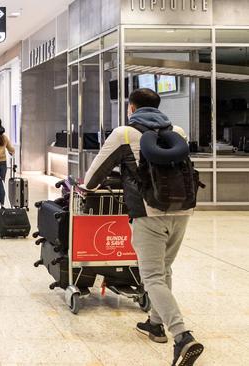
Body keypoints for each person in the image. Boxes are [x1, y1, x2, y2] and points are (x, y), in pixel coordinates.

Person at [84, 88, 204, 366]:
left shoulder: (124, 133)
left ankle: (182, 336)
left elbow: (92, 178)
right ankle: (154, 324)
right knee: (164, 269)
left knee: (151, 277)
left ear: (131, 108)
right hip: (183, 209)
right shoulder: (177, 131)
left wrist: (90, 186)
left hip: (148, 211)